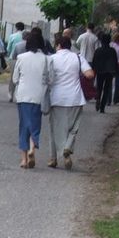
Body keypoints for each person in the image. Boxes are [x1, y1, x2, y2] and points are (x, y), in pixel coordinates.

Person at [44, 31, 88, 170]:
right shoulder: (78, 57)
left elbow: (46, 78)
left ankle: (53, 159)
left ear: (58, 45)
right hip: (75, 98)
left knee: (54, 129)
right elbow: (90, 74)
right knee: (73, 128)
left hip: (56, 98)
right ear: (69, 46)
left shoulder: (51, 59)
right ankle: (67, 147)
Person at [10, 27, 51, 168]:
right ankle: (33, 148)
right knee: (35, 124)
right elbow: (51, 79)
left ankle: (24, 159)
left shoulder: (21, 58)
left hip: (23, 95)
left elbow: (15, 79)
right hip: (38, 96)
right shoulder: (47, 59)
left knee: (23, 125)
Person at [90, 31, 119, 113]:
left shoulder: (98, 50)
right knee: (107, 89)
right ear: (109, 41)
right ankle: (102, 107)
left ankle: (98, 99)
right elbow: (115, 62)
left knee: (99, 88)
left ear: (101, 41)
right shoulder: (112, 51)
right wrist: (116, 72)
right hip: (109, 72)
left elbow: (94, 62)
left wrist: (93, 71)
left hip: (99, 71)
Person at [4, 22, 26, 101]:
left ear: (16, 28)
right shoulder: (26, 36)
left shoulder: (12, 36)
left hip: (13, 59)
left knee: (13, 77)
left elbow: (8, 49)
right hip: (24, 59)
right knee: (22, 77)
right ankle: (19, 94)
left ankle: (11, 93)